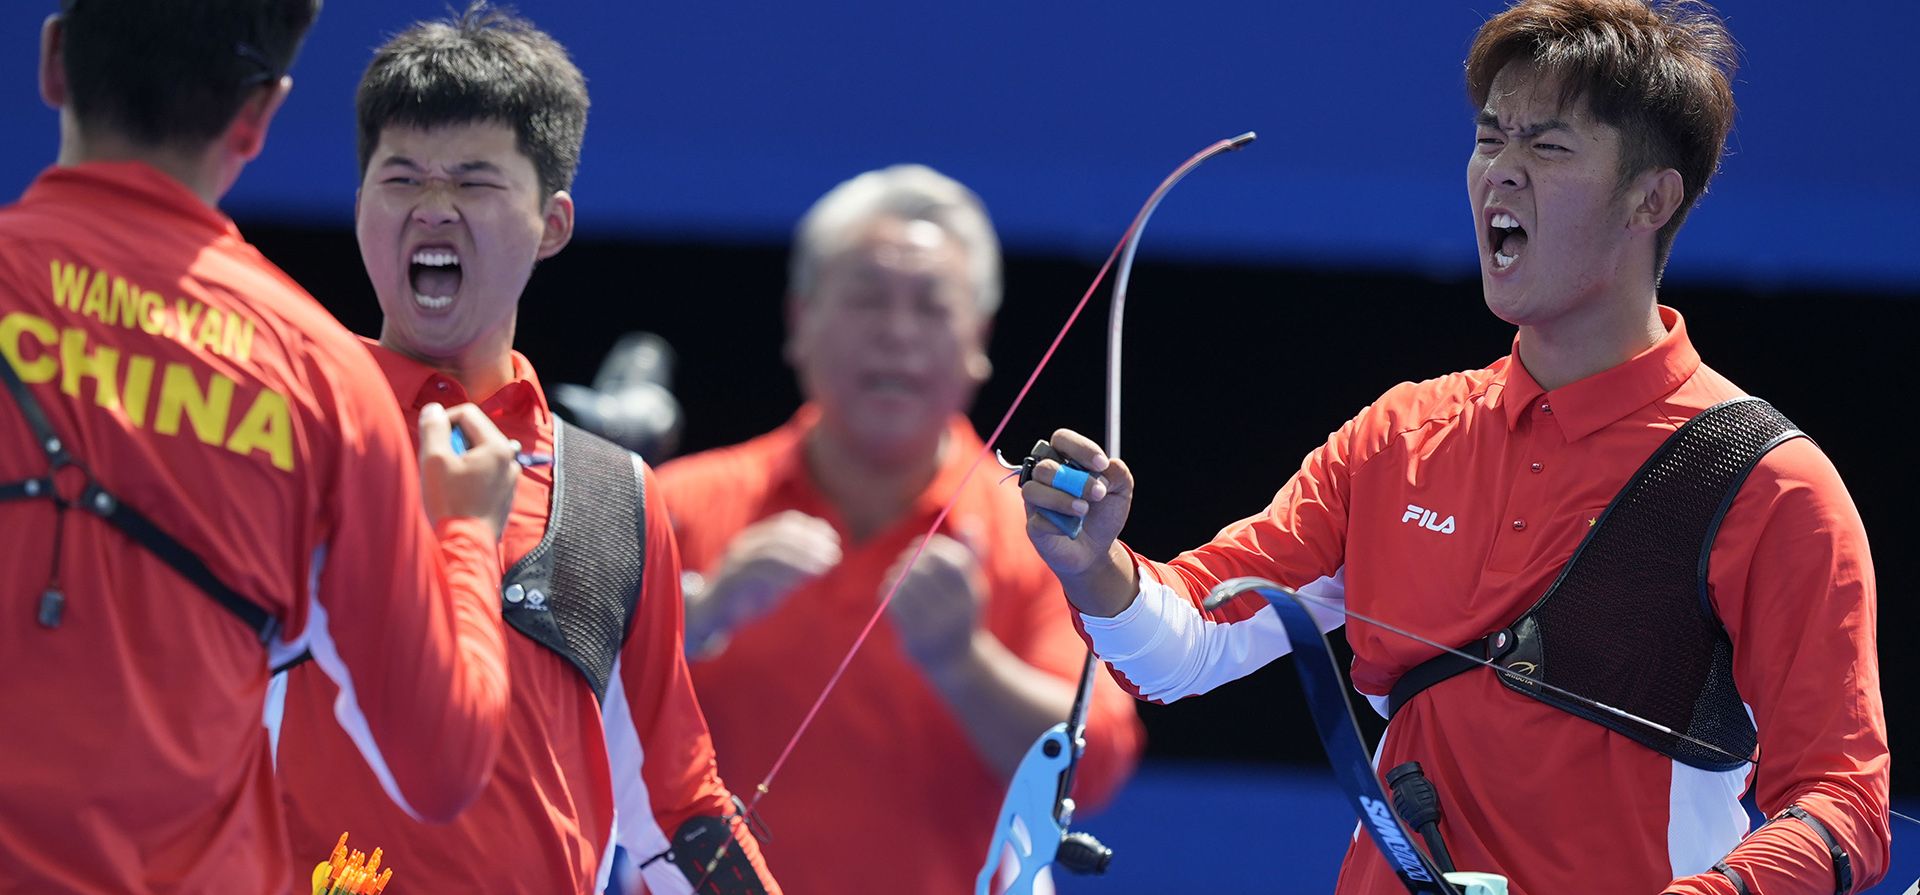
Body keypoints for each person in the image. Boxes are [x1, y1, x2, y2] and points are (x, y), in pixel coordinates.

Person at [1018, 1, 1889, 893]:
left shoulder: (1768, 482)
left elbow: (1843, 802)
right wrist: (1094, 566)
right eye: (1489, 138)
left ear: (1651, 198)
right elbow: (1189, 646)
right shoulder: (1399, 435)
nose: (1501, 172)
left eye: (1547, 147)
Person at [0, 2, 522, 892]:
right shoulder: (324, 384)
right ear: (259, 116)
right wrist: (466, 533)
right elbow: (443, 763)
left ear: (53, 60)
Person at [267, 7, 780, 894]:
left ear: (552, 223)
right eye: (401, 177)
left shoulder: (614, 496)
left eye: (474, 182)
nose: (433, 207)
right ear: (359, 208)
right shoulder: (278, 433)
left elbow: (678, 803)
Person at [657, 164, 1145, 893]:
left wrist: (964, 663)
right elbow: (563, 724)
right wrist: (697, 619)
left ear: (978, 338)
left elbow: (1097, 760)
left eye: (931, 305)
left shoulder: (1048, 535)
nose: (896, 333)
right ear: (799, 321)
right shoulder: (675, 502)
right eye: (866, 299)